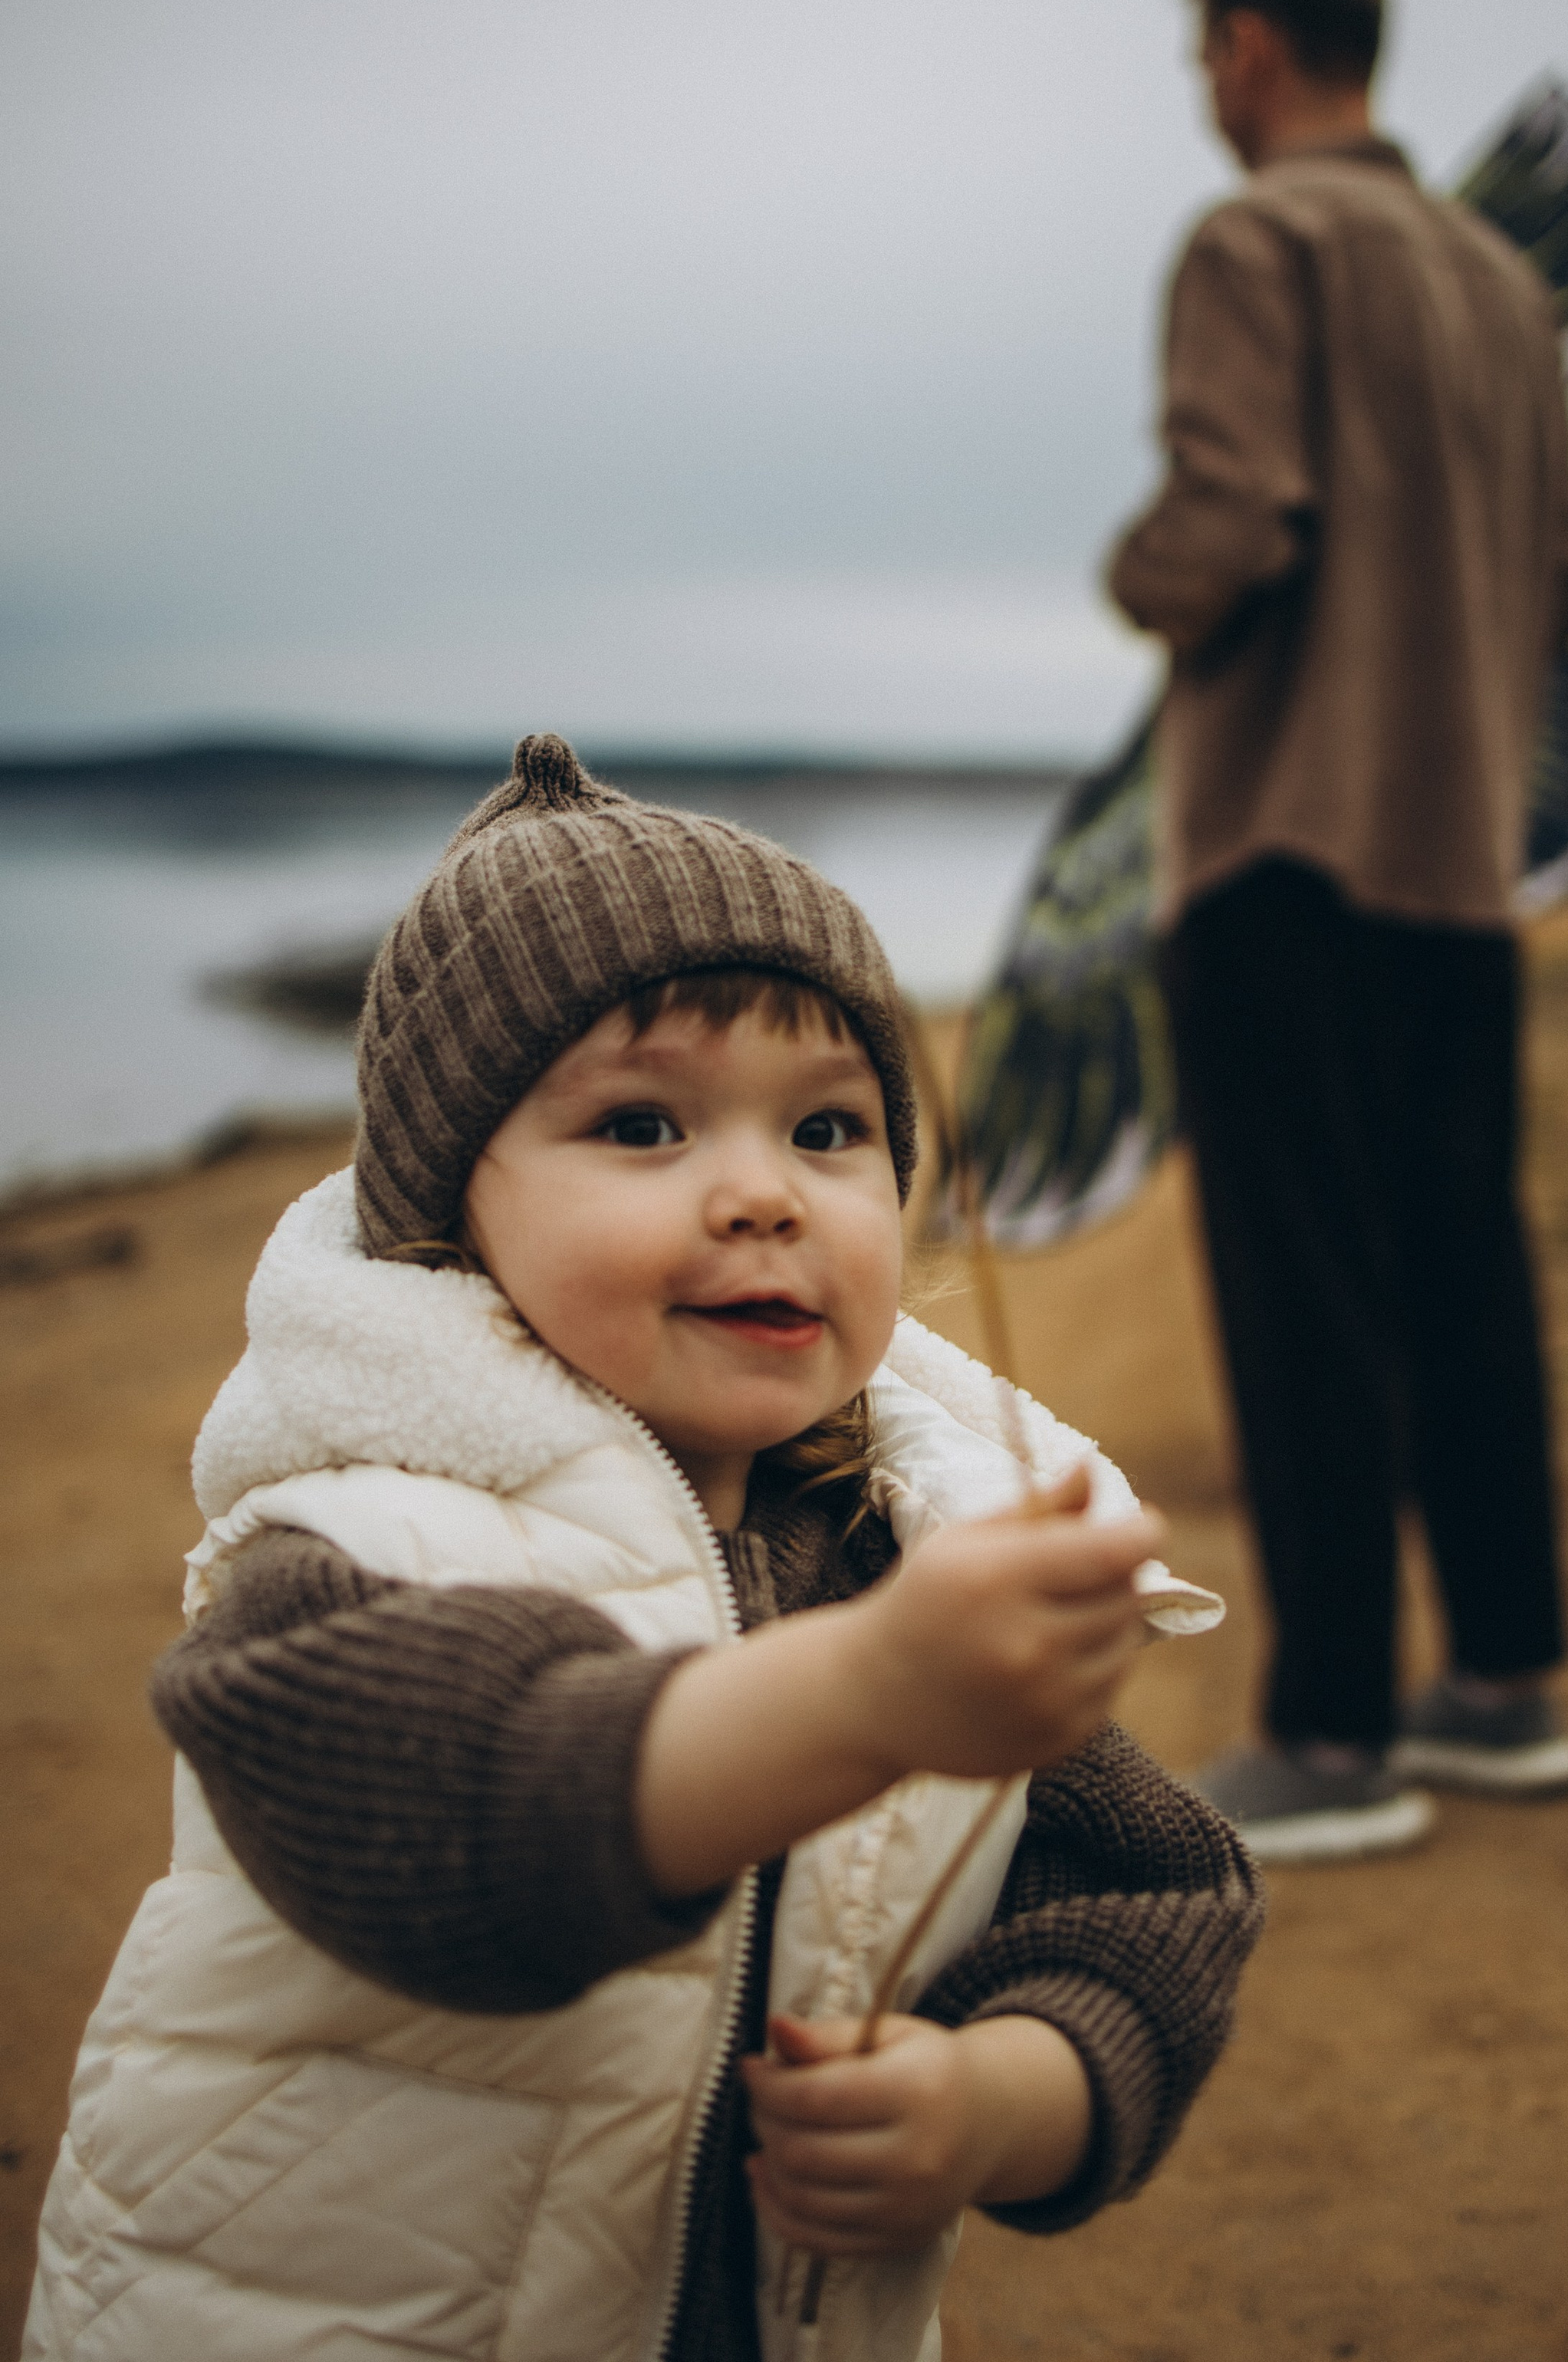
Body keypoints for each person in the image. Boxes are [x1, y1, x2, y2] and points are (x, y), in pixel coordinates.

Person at [26, 735, 1259, 2362]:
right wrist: (874, 1693)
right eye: (640, 1127)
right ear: (446, 1217)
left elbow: (1145, 1908)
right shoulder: (349, 1541)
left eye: (826, 1131)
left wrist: (994, 2101)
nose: (761, 1193)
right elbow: (475, 1810)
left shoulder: (893, 1556)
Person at [1106, 0, 1568, 1866]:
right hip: (1456, 861)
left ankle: (1323, 1731)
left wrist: (1131, 581)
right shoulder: (1501, 291)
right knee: (1462, 1257)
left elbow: (1228, 520)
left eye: (1197, 62)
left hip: (1283, 843)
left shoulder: (1254, 245)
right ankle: (1497, 1685)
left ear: (1243, 50)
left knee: (1298, 1282)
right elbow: (1557, 593)